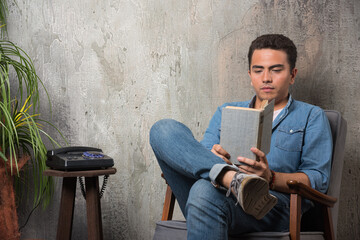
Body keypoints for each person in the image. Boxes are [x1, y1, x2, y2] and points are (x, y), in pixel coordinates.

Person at [150, 34, 332, 239]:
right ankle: (231, 178)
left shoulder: (312, 116)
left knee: (203, 190)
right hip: (214, 196)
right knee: (162, 129)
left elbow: (318, 179)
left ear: (292, 75)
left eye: (276, 70)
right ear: (249, 74)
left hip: (271, 206)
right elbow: (198, 159)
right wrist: (214, 157)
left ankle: (234, 181)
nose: (266, 78)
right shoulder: (226, 111)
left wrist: (270, 178)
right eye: (258, 70)